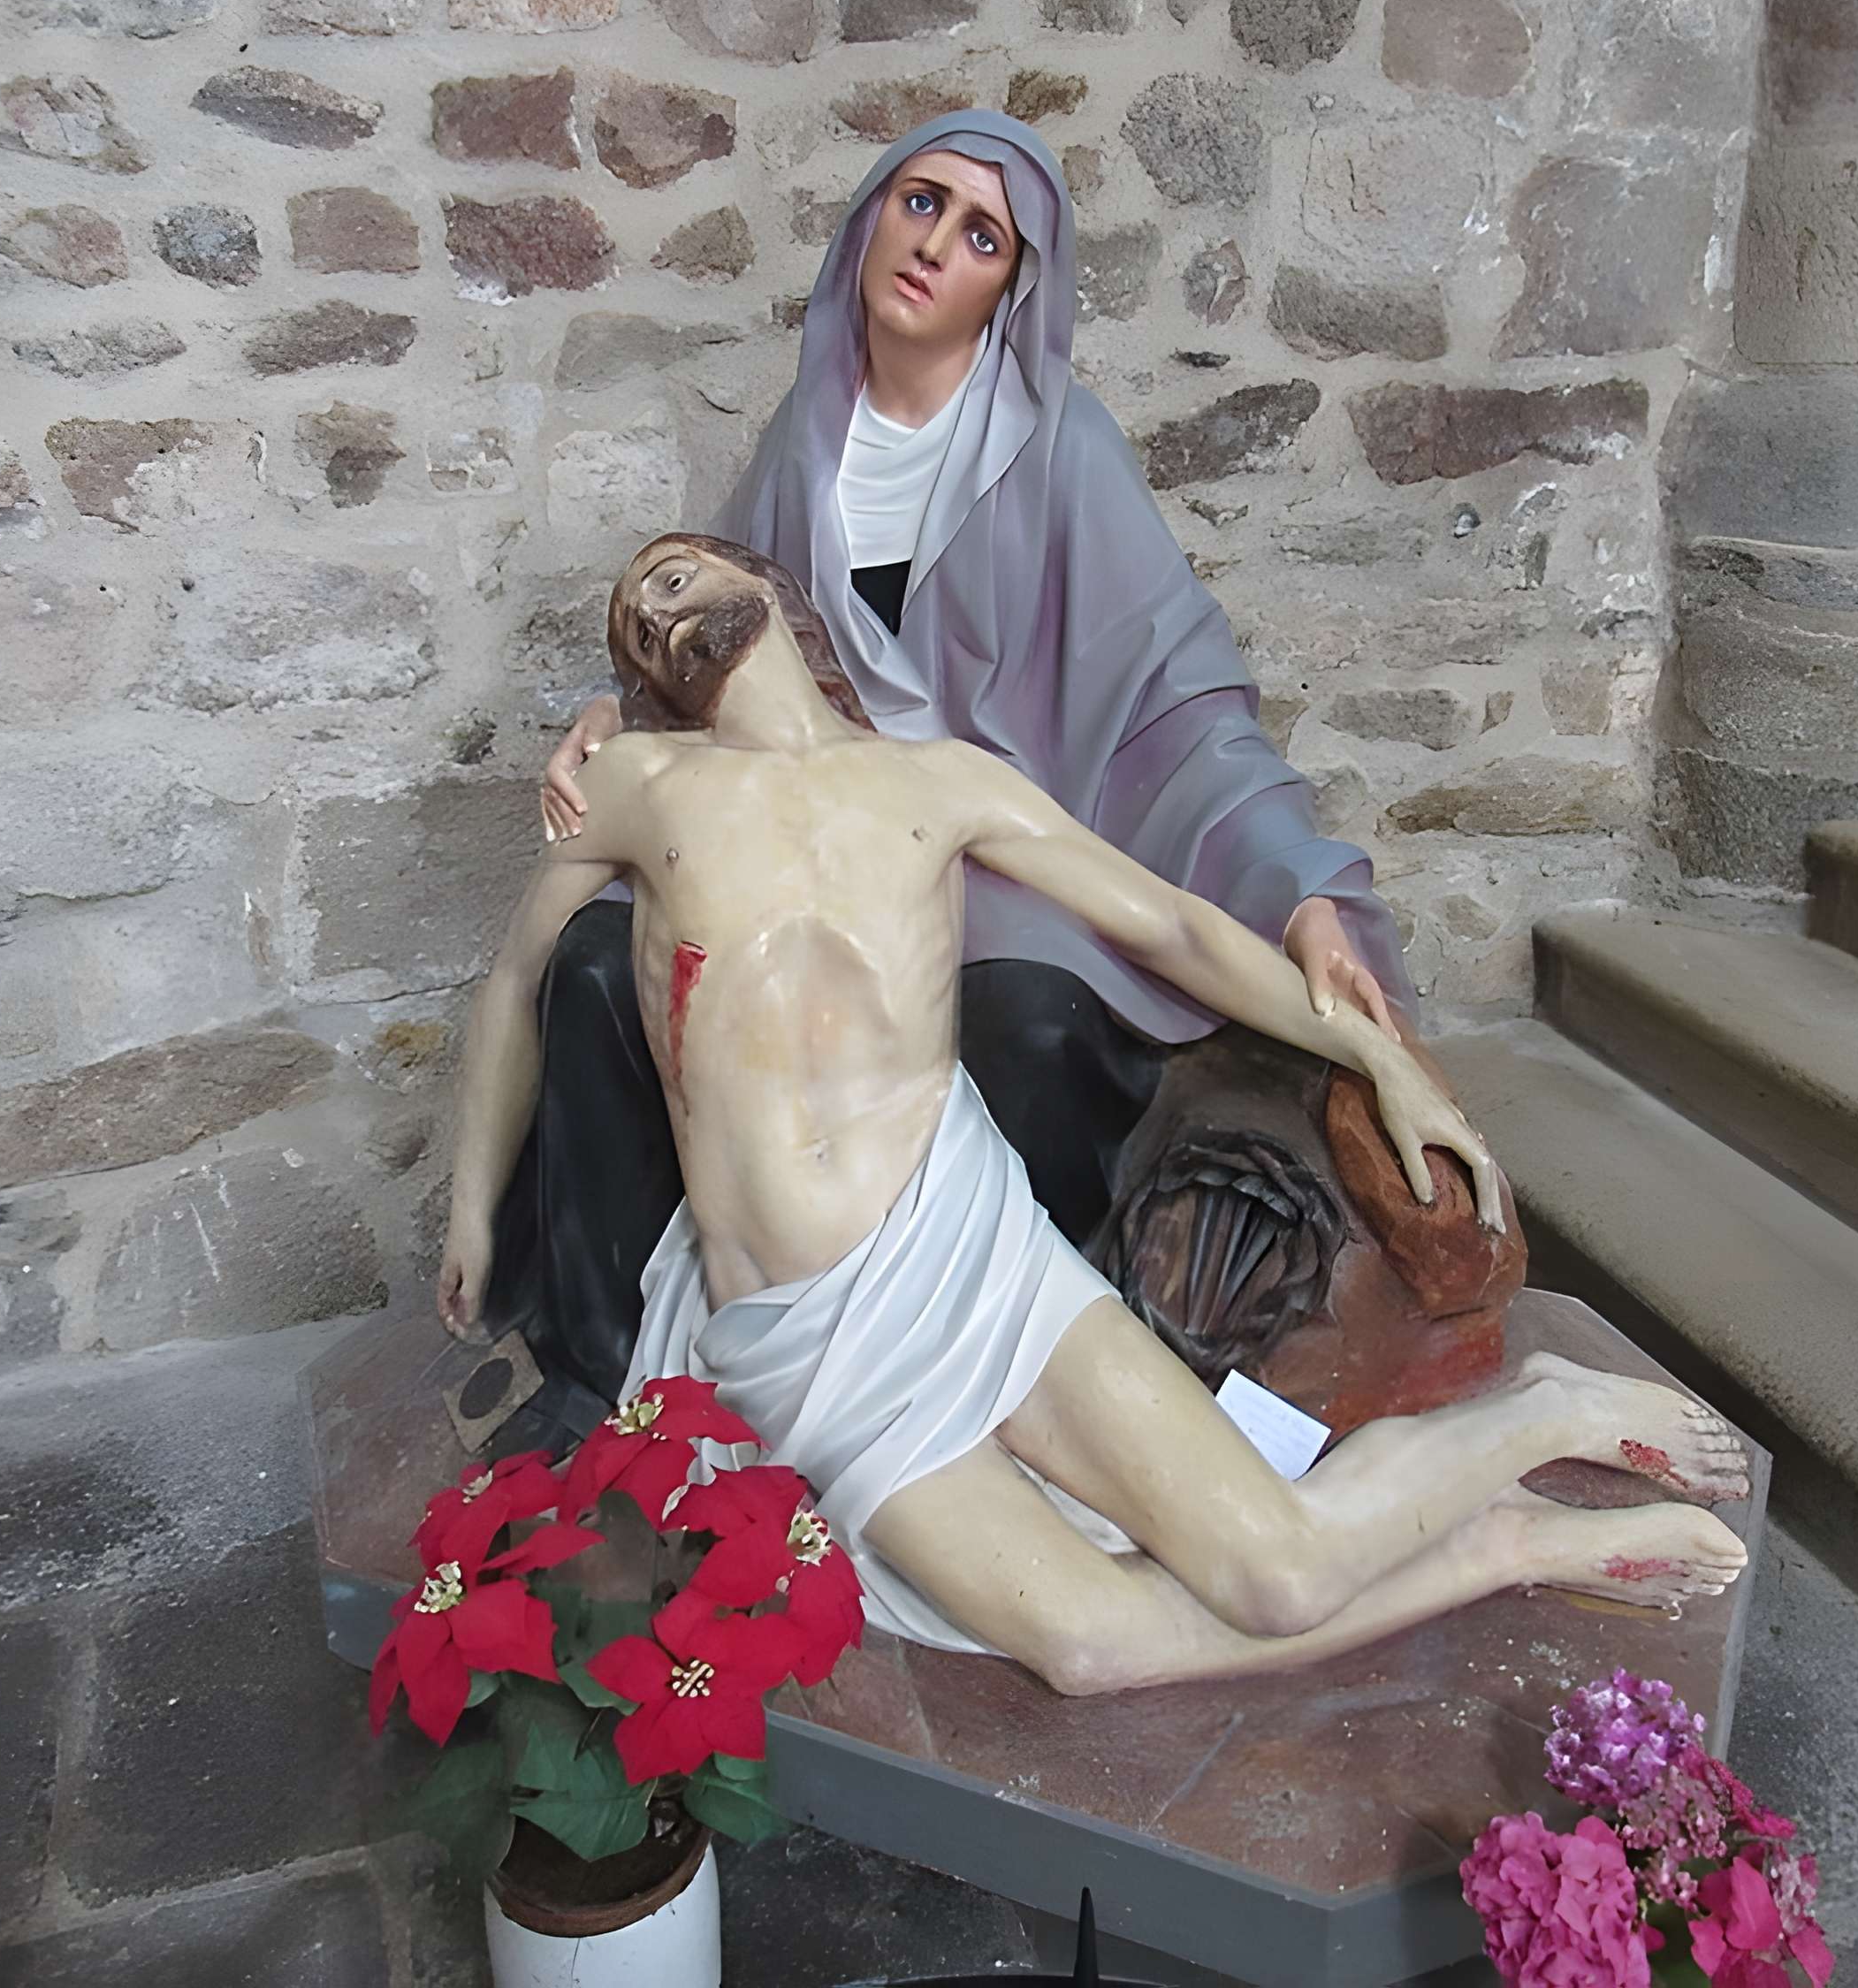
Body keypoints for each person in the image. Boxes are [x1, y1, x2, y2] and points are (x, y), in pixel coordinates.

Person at [437, 537, 1748, 1693]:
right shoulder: (640, 785)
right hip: (800, 1335)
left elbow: (1173, 925)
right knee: (1089, 1648)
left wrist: (1386, 1055)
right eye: (634, 627)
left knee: (1277, 1574)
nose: (658, 619)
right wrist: (473, 1214)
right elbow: (514, 984)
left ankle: (1548, 1411)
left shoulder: (941, 782)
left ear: (759, 585)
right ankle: (1504, 1539)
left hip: (965, 1256)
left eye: (672, 580)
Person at [472, 113, 1417, 1432]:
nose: (934, 246)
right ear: (872, 216)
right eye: (921, 202)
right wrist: (603, 713)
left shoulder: (1060, 453)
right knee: (591, 973)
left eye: (982, 234)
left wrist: (1302, 889)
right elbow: (717, 639)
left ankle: (937, 1387)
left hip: (988, 851)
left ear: (1011, 285)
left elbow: (1183, 703)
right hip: (794, 832)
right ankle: (611, 1384)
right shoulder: (806, 438)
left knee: (1030, 1025)